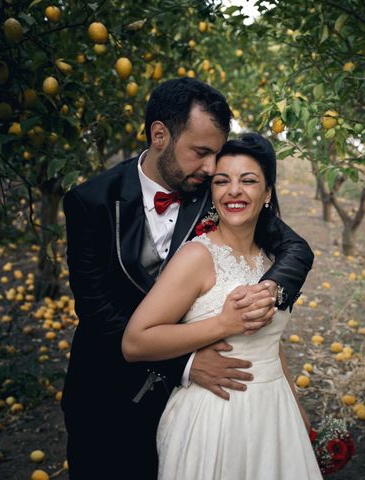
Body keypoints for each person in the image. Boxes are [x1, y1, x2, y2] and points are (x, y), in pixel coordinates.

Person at [61, 78, 314, 479]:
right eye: (201, 152)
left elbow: (296, 247)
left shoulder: (213, 191)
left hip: (194, 404)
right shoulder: (90, 201)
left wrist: (270, 288)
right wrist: (186, 364)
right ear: (159, 134)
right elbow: (98, 313)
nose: (213, 168)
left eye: (216, 154)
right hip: (108, 393)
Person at [122, 133, 322, 479]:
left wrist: (296, 405)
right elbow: (135, 342)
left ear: (268, 192)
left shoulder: (272, 259)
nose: (234, 191)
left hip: (275, 413)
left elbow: (271, 344)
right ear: (212, 192)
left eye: (248, 181)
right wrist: (224, 324)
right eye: (222, 181)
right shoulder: (197, 256)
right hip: (214, 416)